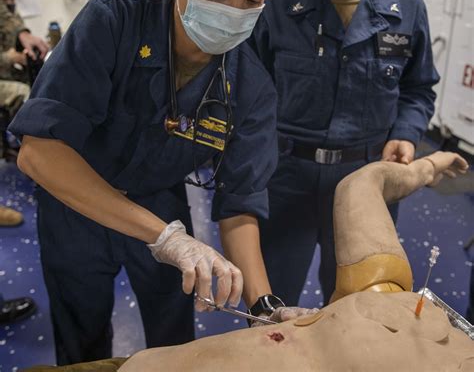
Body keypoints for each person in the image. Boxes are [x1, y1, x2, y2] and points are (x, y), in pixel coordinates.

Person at [8, 0, 299, 365]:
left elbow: (240, 202)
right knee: (81, 338)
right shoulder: (114, 21)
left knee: (174, 340)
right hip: (76, 203)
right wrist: (164, 237)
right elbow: (39, 152)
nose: (233, 12)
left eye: (254, 0)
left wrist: (264, 305)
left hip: (163, 205)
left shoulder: (250, 85)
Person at [24, 152, 472, 371]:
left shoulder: (381, 291)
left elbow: (361, 182)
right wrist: (424, 168)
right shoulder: (381, 290)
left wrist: (426, 168)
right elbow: (362, 184)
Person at [247, 0, 440, 306]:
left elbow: (418, 88)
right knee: (273, 306)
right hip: (283, 177)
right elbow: (243, 89)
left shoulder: (405, 5)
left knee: (361, 307)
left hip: (367, 180)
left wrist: (406, 133)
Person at [0, 0, 49, 82]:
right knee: (23, 92)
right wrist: (10, 58)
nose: (9, 3)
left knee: (41, 83)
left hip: (8, 75)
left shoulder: (14, 18)